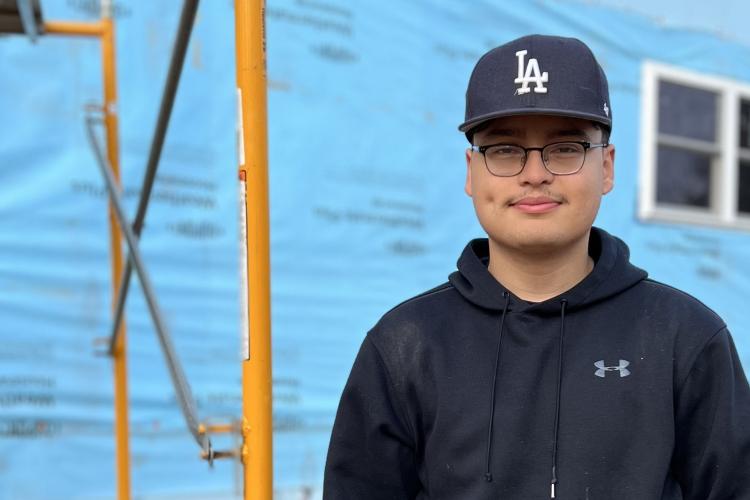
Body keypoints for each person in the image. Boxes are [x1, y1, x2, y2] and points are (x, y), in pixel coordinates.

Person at [322, 34, 750, 499]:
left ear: (606, 167)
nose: (534, 174)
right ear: (471, 171)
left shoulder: (684, 337)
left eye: (565, 148)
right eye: (504, 149)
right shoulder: (406, 344)